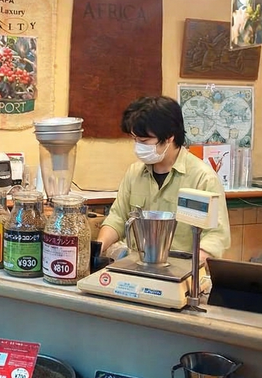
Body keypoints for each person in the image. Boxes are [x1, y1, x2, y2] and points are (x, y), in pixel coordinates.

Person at [96, 96, 231, 263]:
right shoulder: (134, 173)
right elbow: (117, 218)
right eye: (134, 140)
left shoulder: (203, 178)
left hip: (180, 269)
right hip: (136, 265)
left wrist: (190, 268)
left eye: (144, 141)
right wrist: (97, 250)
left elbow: (215, 236)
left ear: (169, 137)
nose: (138, 146)